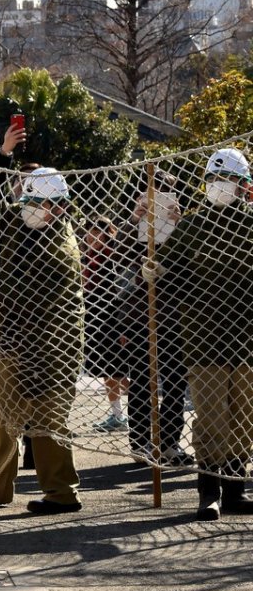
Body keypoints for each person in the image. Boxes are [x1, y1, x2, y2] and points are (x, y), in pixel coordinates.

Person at [0, 167, 85, 514]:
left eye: (49, 204)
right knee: (5, 419)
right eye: (33, 201)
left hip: (53, 347)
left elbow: (20, 287)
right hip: (14, 342)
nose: (42, 209)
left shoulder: (61, 247)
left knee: (50, 422)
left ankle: (62, 493)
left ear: (61, 206)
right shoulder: (14, 220)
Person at [146, 147, 253, 520]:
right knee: (210, 418)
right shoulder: (192, 226)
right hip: (204, 337)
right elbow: (170, 277)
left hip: (247, 340)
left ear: (243, 186)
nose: (219, 186)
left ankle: (236, 489)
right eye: (213, 179)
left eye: (226, 180)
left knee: (243, 418)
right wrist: (155, 274)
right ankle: (208, 493)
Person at [115, 172, 189, 464]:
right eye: (153, 191)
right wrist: (136, 219)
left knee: (175, 379)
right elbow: (117, 254)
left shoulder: (184, 226)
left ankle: (170, 442)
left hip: (177, 313)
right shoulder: (133, 225)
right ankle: (140, 442)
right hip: (139, 314)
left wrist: (179, 223)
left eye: (165, 192)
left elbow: (191, 259)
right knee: (143, 378)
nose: (158, 198)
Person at [81, 217, 130, 433]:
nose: (91, 237)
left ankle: (141, 409)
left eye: (96, 232)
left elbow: (120, 294)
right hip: (95, 320)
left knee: (119, 370)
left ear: (107, 234)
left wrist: (122, 326)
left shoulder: (113, 259)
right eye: (89, 232)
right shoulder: (88, 259)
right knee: (107, 371)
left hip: (113, 320)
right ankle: (117, 415)